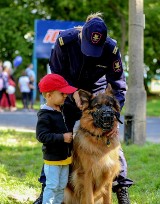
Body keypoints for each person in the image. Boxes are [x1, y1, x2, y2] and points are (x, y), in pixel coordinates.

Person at [34, 12, 133, 204]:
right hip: (69, 90)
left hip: (97, 93)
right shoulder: (65, 41)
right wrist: (72, 92)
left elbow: (119, 85)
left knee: (112, 142)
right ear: (82, 35)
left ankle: (121, 188)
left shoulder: (111, 49)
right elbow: (56, 71)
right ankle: (47, 188)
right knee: (59, 139)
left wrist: (115, 118)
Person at [36, 73, 77, 204]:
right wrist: (62, 138)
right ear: (49, 95)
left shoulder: (62, 109)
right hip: (53, 160)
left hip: (65, 159)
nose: (65, 95)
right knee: (52, 186)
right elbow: (41, 136)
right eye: (62, 93)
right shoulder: (45, 115)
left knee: (61, 187)